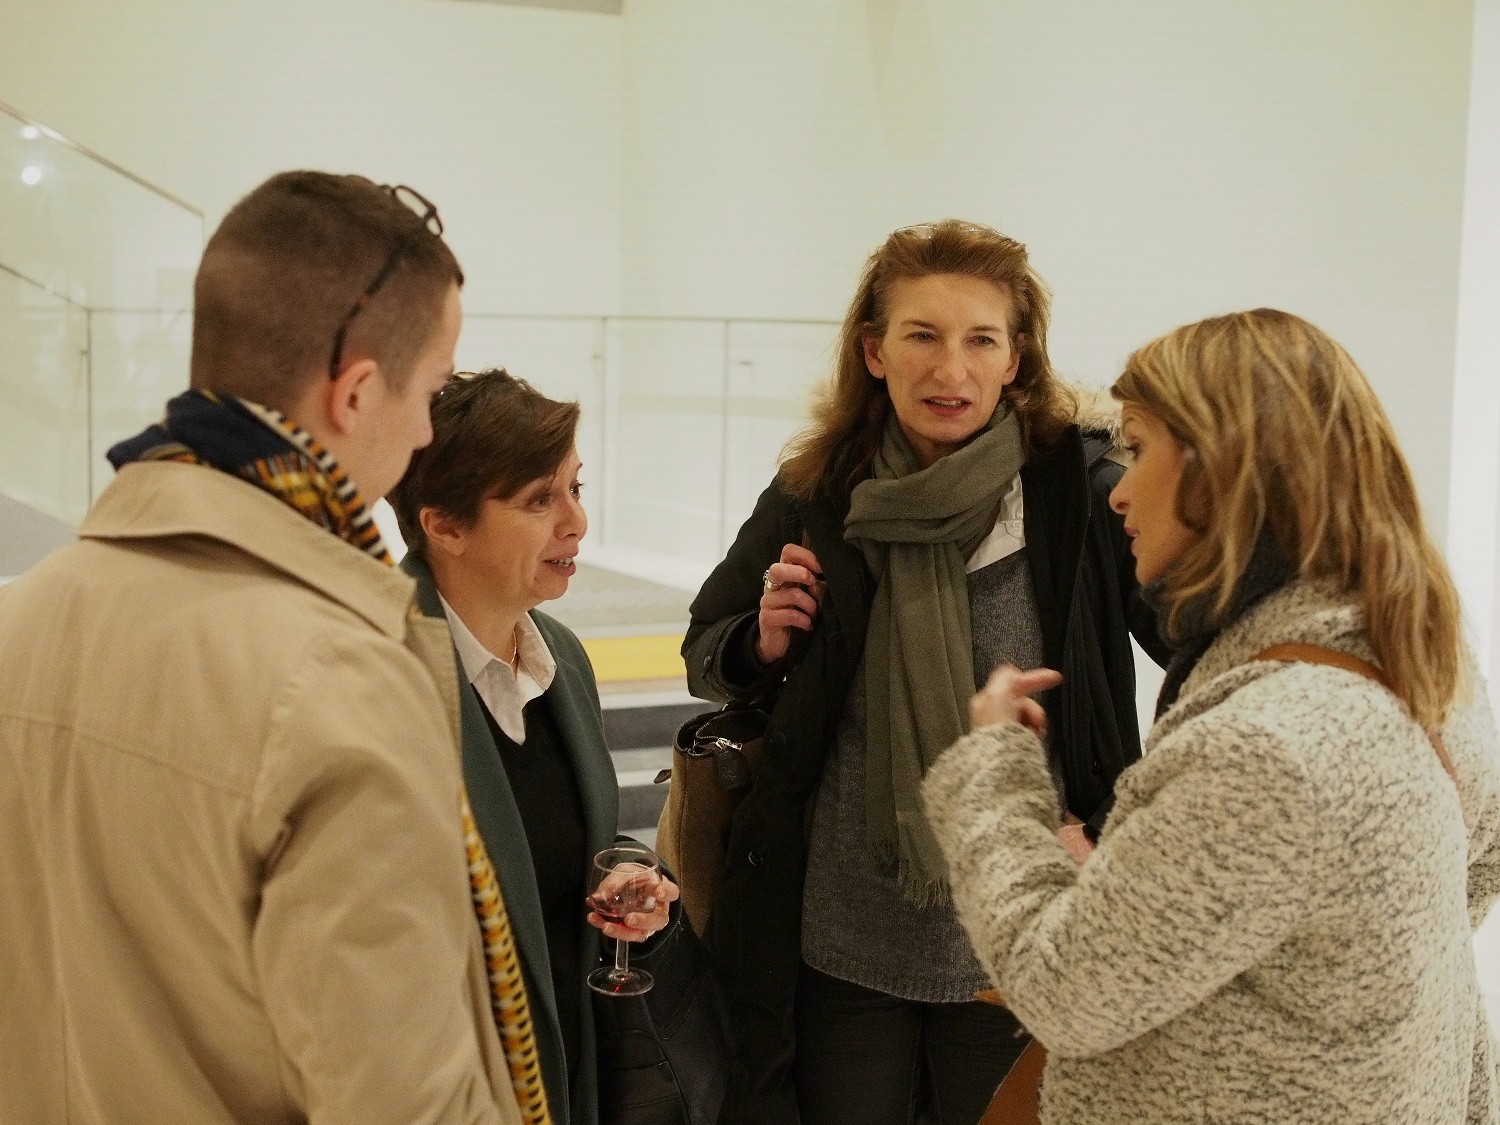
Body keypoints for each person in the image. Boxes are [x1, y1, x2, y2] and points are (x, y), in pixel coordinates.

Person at [0, 172, 531, 1124]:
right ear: (356, 393)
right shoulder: (342, 684)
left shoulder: (23, 618)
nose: (425, 430)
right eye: (430, 390)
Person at [922, 308, 1500, 1123]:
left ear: (1224, 468)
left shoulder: (1268, 747)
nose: (1120, 491)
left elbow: (1062, 990)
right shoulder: (1422, 661)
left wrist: (994, 772)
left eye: (1138, 446)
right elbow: (1476, 860)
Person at [682, 219, 1168, 1125]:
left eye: (981, 339)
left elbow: (1199, 650)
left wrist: (1123, 827)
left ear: (1016, 357)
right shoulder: (818, 490)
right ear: (874, 352)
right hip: (849, 922)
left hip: (1023, 922)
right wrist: (762, 641)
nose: (952, 369)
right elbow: (707, 645)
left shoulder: (1081, 491)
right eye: (922, 336)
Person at [390, 368, 693, 1125]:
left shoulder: (561, 656)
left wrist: (629, 877)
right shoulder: (384, 676)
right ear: (445, 525)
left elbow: (549, 846)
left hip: (564, 1075)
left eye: (575, 488)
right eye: (539, 500)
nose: (577, 522)